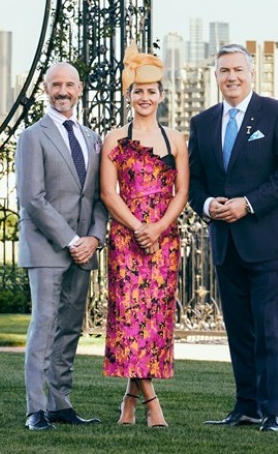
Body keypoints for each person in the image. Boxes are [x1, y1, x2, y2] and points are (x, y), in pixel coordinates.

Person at [187, 43, 278, 433]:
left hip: (268, 240)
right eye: (224, 71)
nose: (231, 77)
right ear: (216, 76)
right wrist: (208, 205)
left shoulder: (276, 113)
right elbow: (195, 183)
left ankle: (272, 412)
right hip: (225, 242)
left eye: (238, 70)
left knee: (269, 328)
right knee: (238, 328)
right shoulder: (202, 123)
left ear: (252, 73)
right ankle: (246, 407)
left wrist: (248, 204)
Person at [15, 61, 108, 431]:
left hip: (84, 249)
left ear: (80, 89)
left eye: (69, 84)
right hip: (47, 248)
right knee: (45, 324)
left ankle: (60, 404)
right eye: (56, 84)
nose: (63, 91)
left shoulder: (91, 138)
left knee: (70, 328)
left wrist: (94, 239)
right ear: (46, 89)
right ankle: (36, 409)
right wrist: (71, 241)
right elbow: (32, 199)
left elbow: (101, 196)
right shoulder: (32, 137)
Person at [99, 45, 189, 428]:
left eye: (152, 91)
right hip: (126, 239)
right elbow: (108, 193)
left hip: (163, 239)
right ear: (129, 95)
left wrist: (158, 228)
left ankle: (129, 401)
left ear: (162, 95)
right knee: (130, 318)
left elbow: (182, 192)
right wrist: (138, 227)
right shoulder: (114, 138)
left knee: (154, 321)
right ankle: (152, 402)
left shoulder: (176, 140)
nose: (145, 97)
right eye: (138, 90)